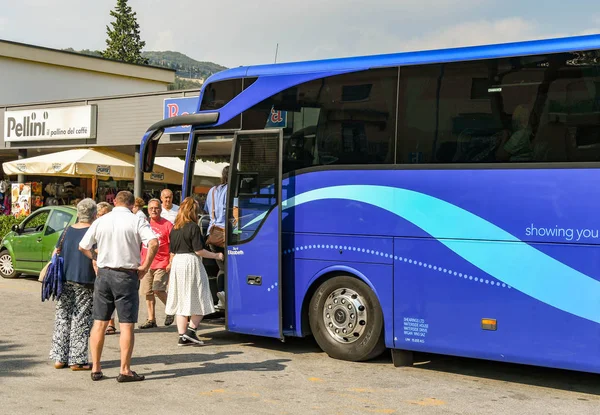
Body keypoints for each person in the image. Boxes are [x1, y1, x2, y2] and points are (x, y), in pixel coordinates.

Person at [79, 191, 158, 382]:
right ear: (132, 205)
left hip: (104, 274)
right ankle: (124, 369)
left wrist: (96, 259)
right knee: (126, 324)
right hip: (126, 274)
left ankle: (96, 368)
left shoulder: (101, 220)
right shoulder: (136, 220)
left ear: (114, 202)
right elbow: (154, 242)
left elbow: (83, 246)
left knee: (100, 322)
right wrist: (145, 266)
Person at [166, 197, 223, 346]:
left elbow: (172, 250)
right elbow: (199, 250)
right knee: (201, 296)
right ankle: (191, 330)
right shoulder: (193, 227)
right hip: (190, 262)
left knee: (181, 299)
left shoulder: (175, 228)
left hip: (178, 262)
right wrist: (216, 255)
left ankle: (182, 336)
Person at [49, 199, 98, 371]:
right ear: (94, 214)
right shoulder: (93, 231)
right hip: (85, 280)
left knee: (63, 317)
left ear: (78, 213)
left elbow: (57, 251)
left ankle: (59, 358)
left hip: (64, 279)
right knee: (81, 319)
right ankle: (77, 360)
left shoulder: (67, 231)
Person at [138, 199, 175, 329]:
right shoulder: (144, 223)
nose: (154, 210)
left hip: (162, 262)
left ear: (161, 209)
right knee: (147, 292)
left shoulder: (167, 225)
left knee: (158, 289)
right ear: (147, 210)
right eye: (151, 208)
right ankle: (151, 319)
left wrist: (171, 261)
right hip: (146, 263)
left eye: (157, 208)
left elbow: (173, 245)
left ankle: (171, 309)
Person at [204, 166, 229, 309]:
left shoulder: (212, 191)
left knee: (221, 267)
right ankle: (227, 294)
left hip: (212, 234)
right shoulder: (231, 190)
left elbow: (207, 210)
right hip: (226, 234)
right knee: (230, 268)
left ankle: (221, 295)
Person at [96, 202, 118, 336]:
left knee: (111, 296)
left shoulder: (114, 227)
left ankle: (111, 323)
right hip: (97, 263)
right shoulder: (95, 226)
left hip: (110, 266)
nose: (101, 217)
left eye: (104, 214)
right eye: (99, 214)